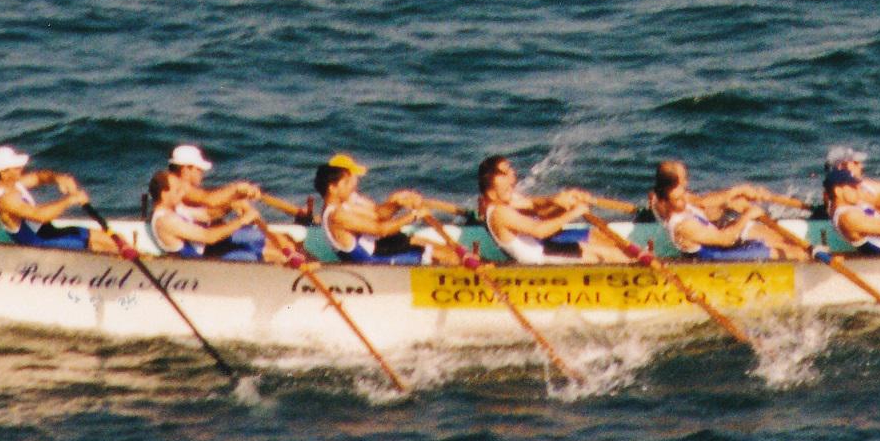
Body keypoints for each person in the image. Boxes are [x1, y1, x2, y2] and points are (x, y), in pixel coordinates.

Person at [473, 154, 637, 265]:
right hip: (539, 259)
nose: (513, 176)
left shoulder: (504, 201)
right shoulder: (499, 213)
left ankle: (638, 264)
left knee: (606, 248)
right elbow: (540, 231)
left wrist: (564, 202)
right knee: (606, 254)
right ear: (492, 180)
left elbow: (536, 208)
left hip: (545, 249)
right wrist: (574, 213)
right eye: (506, 172)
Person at [649, 160, 809, 261]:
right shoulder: (683, 226)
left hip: (716, 243)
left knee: (779, 240)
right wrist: (748, 215)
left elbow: (702, 203)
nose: (685, 198)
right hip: (718, 258)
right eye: (683, 180)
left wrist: (732, 199)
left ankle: (801, 250)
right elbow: (726, 239)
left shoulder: (666, 196)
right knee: (794, 253)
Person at [304, 154, 436, 264]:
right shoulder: (336, 215)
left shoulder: (343, 203)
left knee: (425, 243)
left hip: (373, 249)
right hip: (374, 262)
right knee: (441, 254)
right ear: (332, 188)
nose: (354, 184)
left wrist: (398, 203)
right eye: (347, 181)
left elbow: (378, 214)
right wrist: (414, 215)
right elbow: (381, 230)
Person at [143, 144, 266, 260]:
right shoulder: (165, 220)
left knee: (256, 238)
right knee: (251, 256)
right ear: (165, 194)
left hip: (205, 253)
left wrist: (231, 205)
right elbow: (209, 237)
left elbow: (208, 215)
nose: (182, 194)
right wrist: (242, 220)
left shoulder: (176, 209)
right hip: (199, 264)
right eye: (178, 191)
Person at [0, 145, 120, 253]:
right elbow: (40, 216)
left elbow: (39, 177)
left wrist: (59, 178)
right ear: (3, 173)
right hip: (40, 246)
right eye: (15, 167)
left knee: (111, 238)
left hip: (50, 233)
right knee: (103, 248)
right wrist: (70, 200)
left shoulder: (16, 183)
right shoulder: (4, 200)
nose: (21, 168)